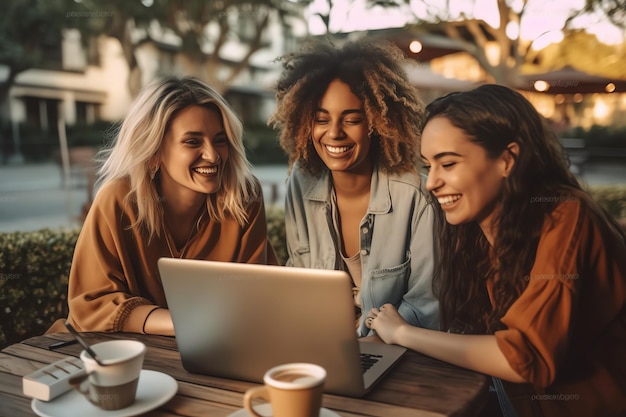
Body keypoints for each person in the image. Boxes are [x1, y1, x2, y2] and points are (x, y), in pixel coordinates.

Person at [366, 84, 626, 417]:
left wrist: (402, 332)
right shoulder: (475, 232)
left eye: (448, 164)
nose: (431, 183)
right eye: (428, 166)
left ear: (507, 159)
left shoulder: (565, 214)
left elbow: (525, 358)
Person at [60, 76, 277, 336]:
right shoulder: (117, 199)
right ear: (154, 152)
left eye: (220, 139)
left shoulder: (244, 196)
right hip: (119, 355)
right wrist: (182, 324)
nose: (214, 155)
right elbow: (91, 306)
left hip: (216, 349)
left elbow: (254, 295)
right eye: (193, 141)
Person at [268, 38, 439, 336]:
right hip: (322, 338)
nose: (334, 133)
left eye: (352, 119)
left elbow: (425, 306)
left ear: (378, 123)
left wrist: (367, 345)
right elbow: (299, 275)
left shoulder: (416, 197)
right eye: (321, 119)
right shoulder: (301, 180)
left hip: (393, 349)